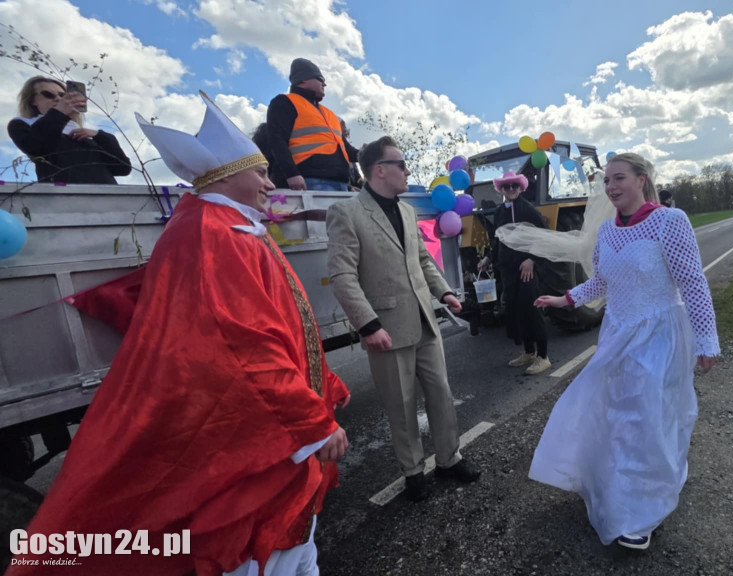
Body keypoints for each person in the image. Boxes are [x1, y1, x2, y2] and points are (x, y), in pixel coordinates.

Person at [8, 93, 350, 576]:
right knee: (262, 550)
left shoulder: (222, 224)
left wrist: (321, 390)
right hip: (255, 441)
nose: (269, 183)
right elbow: (245, 344)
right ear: (227, 175)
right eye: (260, 173)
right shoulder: (213, 233)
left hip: (270, 434)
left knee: (295, 550)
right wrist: (311, 423)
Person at [531, 152, 719, 551]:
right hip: (617, 336)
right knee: (615, 418)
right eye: (606, 181)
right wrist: (564, 298)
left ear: (641, 179)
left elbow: (693, 284)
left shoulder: (671, 221)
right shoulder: (605, 231)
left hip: (659, 337)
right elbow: (601, 282)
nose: (611, 187)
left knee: (648, 420)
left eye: (619, 178)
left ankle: (643, 511)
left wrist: (706, 340)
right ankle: (621, 491)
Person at [326, 136, 481, 502]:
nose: (407, 170)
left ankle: (449, 459)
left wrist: (443, 292)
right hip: (386, 329)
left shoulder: (408, 210)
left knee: (441, 395)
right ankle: (413, 472)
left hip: (426, 321)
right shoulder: (347, 213)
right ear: (380, 170)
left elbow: (423, 261)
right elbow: (341, 275)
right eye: (401, 163)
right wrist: (368, 324)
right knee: (402, 404)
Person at [476, 171, 552, 374]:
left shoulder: (528, 210)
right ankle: (529, 352)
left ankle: (543, 356)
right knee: (516, 311)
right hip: (508, 271)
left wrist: (532, 260)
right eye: (506, 186)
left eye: (514, 186)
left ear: (520, 188)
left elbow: (545, 237)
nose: (511, 190)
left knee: (531, 310)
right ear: (501, 189)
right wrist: (488, 258)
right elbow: (498, 240)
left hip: (526, 271)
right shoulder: (500, 211)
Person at [7, 76, 131, 184]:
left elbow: (122, 168)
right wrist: (59, 113)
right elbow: (37, 149)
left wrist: (100, 136)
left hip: (106, 196)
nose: (58, 99)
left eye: (62, 95)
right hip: (63, 198)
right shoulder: (22, 124)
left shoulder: (80, 130)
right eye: (48, 94)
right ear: (32, 100)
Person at [266, 58, 360, 191]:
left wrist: (369, 153)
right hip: (308, 181)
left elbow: (346, 150)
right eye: (320, 79)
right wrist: (291, 174)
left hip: (340, 183)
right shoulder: (285, 102)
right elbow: (277, 140)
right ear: (303, 80)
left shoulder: (330, 114)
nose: (324, 84)